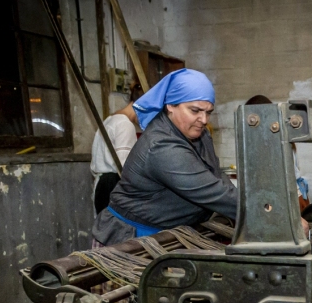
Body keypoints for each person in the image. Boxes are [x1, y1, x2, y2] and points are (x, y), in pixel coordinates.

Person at [91, 69, 238, 247]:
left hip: (168, 234)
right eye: (195, 110)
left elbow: (217, 176)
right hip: (131, 239)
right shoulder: (161, 146)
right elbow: (215, 193)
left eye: (208, 112)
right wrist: (265, 212)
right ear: (170, 105)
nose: (204, 119)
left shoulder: (199, 134)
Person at [90, 83, 142, 214]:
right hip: (112, 186)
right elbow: (126, 167)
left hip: (101, 185)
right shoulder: (125, 125)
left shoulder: (110, 120)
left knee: (104, 231)